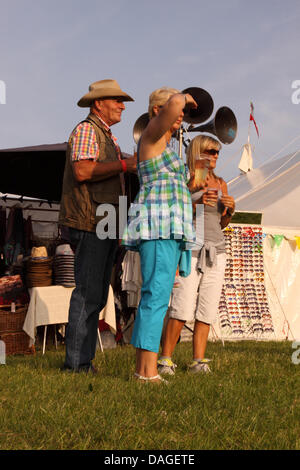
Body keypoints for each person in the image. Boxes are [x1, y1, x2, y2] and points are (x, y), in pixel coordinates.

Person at [59, 79, 136, 373]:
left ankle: (83, 362)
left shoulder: (106, 135)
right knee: (88, 293)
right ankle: (76, 365)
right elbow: (82, 171)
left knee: (97, 294)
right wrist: (125, 165)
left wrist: (117, 231)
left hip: (104, 222)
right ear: (98, 103)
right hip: (91, 220)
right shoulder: (86, 130)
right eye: (116, 100)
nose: (122, 105)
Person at [122, 87, 198, 383]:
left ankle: (144, 368)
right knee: (155, 297)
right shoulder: (150, 138)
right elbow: (178, 102)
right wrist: (185, 98)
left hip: (171, 228)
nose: (181, 113)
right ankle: (147, 372)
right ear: (157, 111)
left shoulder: (166, 148)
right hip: (158, 226)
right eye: (174, 108)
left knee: (156, 297)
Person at [158, 134, 235, 375]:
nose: (215, 156)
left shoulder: (221, 183)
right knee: (182, 307)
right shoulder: (186, 178)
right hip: (189, 248)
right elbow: (172, 212)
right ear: (197, 151)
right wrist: (195, 202)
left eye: (217, 152)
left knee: (207, 308)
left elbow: (221, 224)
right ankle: (165, 359)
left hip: (216, 249)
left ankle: (198, 361)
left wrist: (229, 211)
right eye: (210, 151)